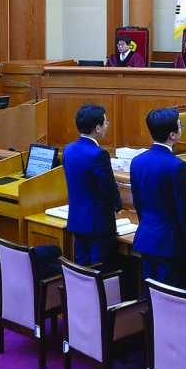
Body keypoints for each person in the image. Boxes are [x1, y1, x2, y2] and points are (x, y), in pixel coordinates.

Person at [130, 108, 186, 288]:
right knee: (168, 301)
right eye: (180, 126)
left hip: (147, 239)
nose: (181, 129)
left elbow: (138, 202)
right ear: (172, 134)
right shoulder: (177, 166)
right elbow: (185, 210)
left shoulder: (137, 161)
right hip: (170, 246)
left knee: (151, 297)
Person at [63, 103, 123, 268]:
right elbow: (109, 189)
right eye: (105, 123)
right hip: (98, 225)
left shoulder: (69, 149)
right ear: (97, 128)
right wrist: (118, 206)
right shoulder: (99, 155)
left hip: (77, 220)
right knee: (99, 272)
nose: (106, 126)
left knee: (82, 270)